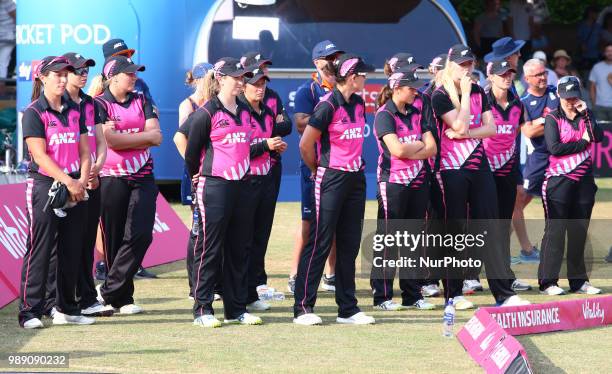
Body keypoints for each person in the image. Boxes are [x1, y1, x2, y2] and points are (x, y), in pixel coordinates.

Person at [430, 44, 529, 309]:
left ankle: (504, 294)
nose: (466, 69)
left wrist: (466, 134)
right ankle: (454, 292)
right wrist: (463, 96)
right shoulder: (439, 95)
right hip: (451, 169)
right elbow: (460, 122)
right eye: (461, 65)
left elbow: (491, 128)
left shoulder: (478, 92)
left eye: (469, 64)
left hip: (478, 166)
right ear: (451, 65)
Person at [294, 53, 376, 325]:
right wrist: (318, 168)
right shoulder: (327, 105)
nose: (366, 78)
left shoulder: (358, 103)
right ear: (352, 77)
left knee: (350, 243)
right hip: (331, 178)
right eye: (363, 74)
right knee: (320, 241)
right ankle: (303, 307)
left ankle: (348, 309)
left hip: (355, 179)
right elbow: (306, 144)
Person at [183, 57, 262, 328]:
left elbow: (245, 147)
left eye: (243, 77)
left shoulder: (245, 110)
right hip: (214, 185)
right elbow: (192, 153)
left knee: (239, 248)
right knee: (209, 247)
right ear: (221, 79)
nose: (242, 82)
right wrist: (200, 175)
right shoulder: (206, 113)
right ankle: (202, 308)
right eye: (237, 77)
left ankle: (235, 309)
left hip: (242, 184)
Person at [18, 56, 93, 328]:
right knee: (40, 249)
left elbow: (85, 149)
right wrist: (68, 182)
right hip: (45, 185)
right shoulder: (34, 112)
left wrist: (81, 180)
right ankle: (30, 312)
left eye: (66, 74)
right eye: (57, 75)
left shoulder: (75, 109)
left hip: (75, 183)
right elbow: (40, 156)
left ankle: (66, 308)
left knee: (72, 249)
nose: (62, 79)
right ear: (43, 78)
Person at [94, 55, 162, 315]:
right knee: (113, 238)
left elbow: (157, 136)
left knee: (142, 234)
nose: (135, 77)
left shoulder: (142, 100)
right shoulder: (99, 103)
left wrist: (123, 136)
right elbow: (109, 141)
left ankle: (108, 290)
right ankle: (121, 298)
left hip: (142, 175)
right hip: (111, 177)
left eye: (135, 73)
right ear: (113, 76)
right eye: (129, 73)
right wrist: (138, 137)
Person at [50, 52, 113, 317]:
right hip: (65, 181)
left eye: (86, 70)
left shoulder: (92, 104)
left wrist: (96, 168)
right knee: (64, 245)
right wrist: (75, 178)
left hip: (89, 178)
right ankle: (59, 301)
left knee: (86, 241)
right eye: (78, 70)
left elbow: (100, 142)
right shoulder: (55, 103)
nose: (83, 74)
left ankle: (87, 297)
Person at [370, 66, 437, 311]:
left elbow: (433, 148)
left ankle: (412, 295)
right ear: (396, 89)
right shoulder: (384, 114)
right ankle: (383, 297)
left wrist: (413, 147)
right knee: (389, 239)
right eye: (411, 89)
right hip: (393, 183)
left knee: (412, 240)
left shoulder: (416, 112)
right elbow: (396, 150)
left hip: (417, 180)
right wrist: (419, 145)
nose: (415, 93)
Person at [539, 76, 603, 296]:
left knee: (578, 232)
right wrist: (583, 142)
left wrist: (587, 114)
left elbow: (599, 137)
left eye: (573, 96)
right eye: (566, 97)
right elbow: (555, 148)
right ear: (559, 95)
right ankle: (548, 282)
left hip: (584, 182)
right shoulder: (552, 118)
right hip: (558, 181)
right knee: (555, 232)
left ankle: (579, 281)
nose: (569, 101)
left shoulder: (585, 115)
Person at [288, 40, 344, 294]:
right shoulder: (307, 91)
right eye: (327, 57)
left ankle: (331, 275)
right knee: (310, 222)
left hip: (338, 165)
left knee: (335, 222)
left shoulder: (345, 90)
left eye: (336, 56)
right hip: (314, 164)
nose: (332, 61)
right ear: (316, 63)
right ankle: (294, 275)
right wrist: (332, 114)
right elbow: (300, 124)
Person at [240, 52, 292, 297]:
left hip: (269, 169)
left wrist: (269, 142)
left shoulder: (271, 99)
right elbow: (236, 147)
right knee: (243, 233)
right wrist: (266, 142)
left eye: (265, 72)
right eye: (258, 73)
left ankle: (257, 283)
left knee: (262, 229)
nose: (263, 79)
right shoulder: (235, 106)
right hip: (242, 177)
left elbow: (285, 126)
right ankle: (237, 286)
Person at [483, 60, 532, 292]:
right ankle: (469, 276)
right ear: (490, 76)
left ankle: (505, 275)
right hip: (483, 173)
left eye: (510, 73)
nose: (507, 77)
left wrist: (518, 174)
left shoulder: (517, 105)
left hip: (507, 173)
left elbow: (517, 137)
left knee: (503, 225)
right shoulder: (481, 103)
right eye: (502, 74)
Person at [173, 62, 214, 300]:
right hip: (196, 173)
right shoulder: (187, 105)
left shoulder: (217, 102)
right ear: (197, 80)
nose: (212, 82)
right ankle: (194, 285)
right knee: (197, 227)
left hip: (214, 172)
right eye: (208, 78)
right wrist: (195, 168)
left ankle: (210, 282)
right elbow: (181, 140)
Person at [520, 59, 560, 259]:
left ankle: (553, 248)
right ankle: (504, 246)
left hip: (560, 157)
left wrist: (541, 121)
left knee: (559, 204)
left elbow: (569, 115)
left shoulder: (556, 92)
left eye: (543, 73)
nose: (543, 77)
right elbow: (529, 131)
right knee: (519, 204)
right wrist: (552, 119)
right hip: (537, 159)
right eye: (537, 75)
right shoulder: (523, 101)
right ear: (527, 78)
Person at [588, 42, 612, 122]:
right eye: (608, 51)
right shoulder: (597, 67)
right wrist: (594, 104)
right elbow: (592, 86)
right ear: (604, 53)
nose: (610, 53)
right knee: (601, 132)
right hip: (599, 106)